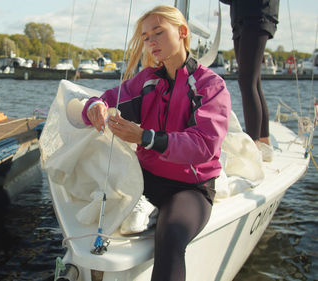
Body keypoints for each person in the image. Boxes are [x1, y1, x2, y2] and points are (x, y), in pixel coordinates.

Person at [81, 5, 231, 281]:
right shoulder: (147, 80)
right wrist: (94, 106)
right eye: (146, 36)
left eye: (158, 32)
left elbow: (204, 145)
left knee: (171, 235)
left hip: (189, 188)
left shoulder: (211, 86)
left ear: (183, 32)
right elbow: (109, 98)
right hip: (144, 180)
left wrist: (144, 137)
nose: (151, 42)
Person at [220, 0, 279, 162]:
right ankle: (264, 142)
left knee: (247, 80)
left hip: (256, 16)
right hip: (242, 19)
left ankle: (254, 146)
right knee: (253, 81)